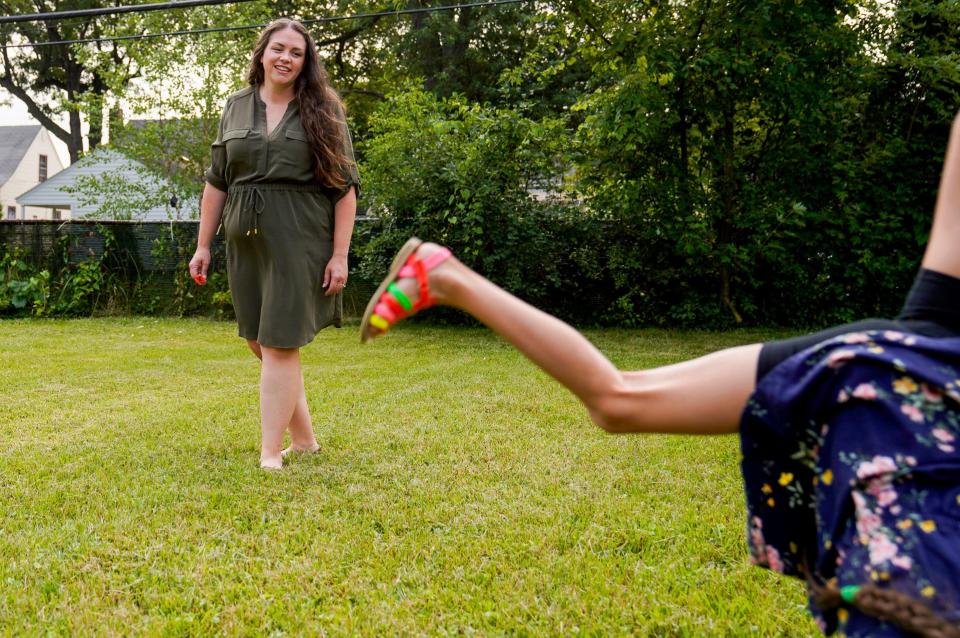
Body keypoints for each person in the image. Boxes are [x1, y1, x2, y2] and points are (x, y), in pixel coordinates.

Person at [359, 112, 960, 637]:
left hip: (894, 365)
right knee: (622, 398)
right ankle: (445, 277)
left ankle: (445, 276)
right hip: (915, 387)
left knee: (621, 399)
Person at [190, 18, 360, 470]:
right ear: (262, 53)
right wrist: (202, 244)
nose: (286, 57)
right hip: (244, 239)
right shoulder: (235, 106)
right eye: (278, 48)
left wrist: (339, 255)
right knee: (258, 341)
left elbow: (345, 191)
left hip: (299, 237)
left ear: (306, 64)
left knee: (281, 343)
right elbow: (216, 182)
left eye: (296, 53)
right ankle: (304, 441)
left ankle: (270, 453)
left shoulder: (323, 110)